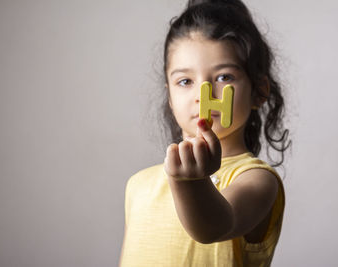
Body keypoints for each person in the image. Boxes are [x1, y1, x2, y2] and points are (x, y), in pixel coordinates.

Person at [120, 0, 291, 266]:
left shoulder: (257, 180)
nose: (205, 95)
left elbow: (214, 228)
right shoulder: (138, 185)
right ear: (170, 96)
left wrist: (191, 182)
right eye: (185, 81)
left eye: (224, 77)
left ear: (259, 91)